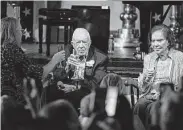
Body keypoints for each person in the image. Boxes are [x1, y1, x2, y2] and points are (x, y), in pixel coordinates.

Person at [1, 17, 65, 105]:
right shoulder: (13, 51)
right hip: (15, 101)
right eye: (20, 30)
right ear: (13, 33)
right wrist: (55, 60)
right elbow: (39, 74)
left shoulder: (3, 49)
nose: (22, 34)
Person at [43, 28, 108, 110]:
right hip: (65, 88)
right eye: (78, 42)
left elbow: (95, 84)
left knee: (73, 97)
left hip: (85, 91)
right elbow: (56, 74)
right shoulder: (65, 53)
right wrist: (66, 70)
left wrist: (75, 86)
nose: (81, 46)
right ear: (72, 44)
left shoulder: (101, 59)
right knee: (49, 91)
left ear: (89, 42)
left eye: (84, 42)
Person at [133, 24, 183, 130]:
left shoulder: (179, 57)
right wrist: (146, 78)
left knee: (154, 108)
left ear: (169, 41)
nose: (155, 44)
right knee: (139, 106)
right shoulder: (149, 58)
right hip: (151, 95)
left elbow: (180, 84)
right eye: (153, 41)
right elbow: (143, 89)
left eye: (159, 40)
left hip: (170, 95)